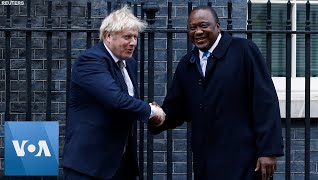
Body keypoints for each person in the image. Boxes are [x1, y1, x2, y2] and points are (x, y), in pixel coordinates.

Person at [149, 5, 284, 180]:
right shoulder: (187, 64)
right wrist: (157, 117)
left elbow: (265, 101)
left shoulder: (244, 50)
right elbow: (176, 108)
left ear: (218, 26)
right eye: (192, 28)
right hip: (205, 160)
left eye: (204, 25)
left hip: (244, 158)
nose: (198, 32)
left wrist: (268, 150)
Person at [62, 5, 165, 180]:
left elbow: (126, 103)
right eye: (127, 37)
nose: (133, 42)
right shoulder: (90, 61)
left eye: (135, 37)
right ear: (108, 36)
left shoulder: (128, 63)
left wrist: (145, 109)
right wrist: (152, 111)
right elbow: (116, 100)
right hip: (89, 165)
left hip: (119, 163)